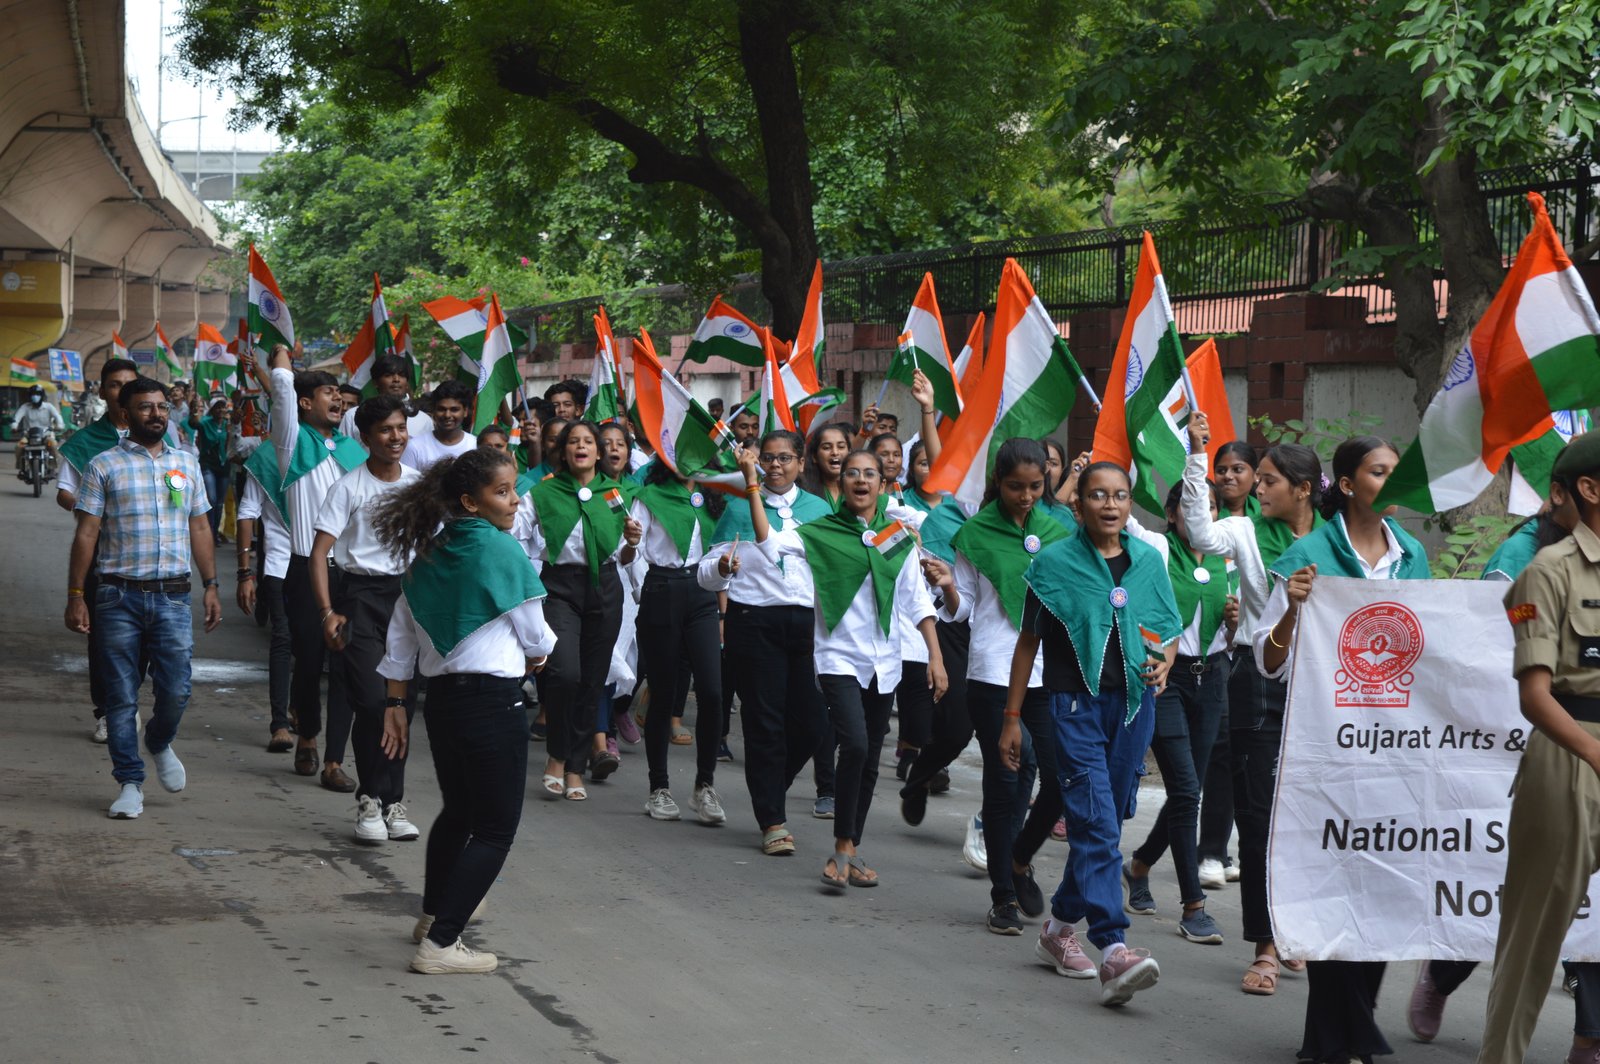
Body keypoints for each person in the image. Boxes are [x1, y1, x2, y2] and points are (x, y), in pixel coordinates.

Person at [1257, 435, 1427, 1063]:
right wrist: (1292, 611)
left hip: (1395, 751)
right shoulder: (1307, 557)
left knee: (1383, 889)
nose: (1393, 481)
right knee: (1333, 887)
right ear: (1349, 485)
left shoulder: (1413, 557)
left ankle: (1336, 1036)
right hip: (1324, 749)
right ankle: (1353, 1034)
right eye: (1381, 472)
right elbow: (1268, 661)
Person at [372, 447, 555, 975]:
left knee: (459, 812)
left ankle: (433, 917)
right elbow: (537, 635)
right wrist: (541, 653)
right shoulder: (500, 549)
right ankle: (442, 943)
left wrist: (396, 703)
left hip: (443, 703)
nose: (515, 500)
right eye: (503, 491)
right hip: (493, 702)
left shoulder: (430, 553)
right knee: (495, 828)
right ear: (471, 502)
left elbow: (400, 639)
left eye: (513, 489)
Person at [1006, 461, 1180, 1007]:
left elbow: (1166, 628)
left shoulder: (1148, 560)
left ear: (1129, 503)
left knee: (1106, 819)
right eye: (1099, 495)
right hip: (1075, 706)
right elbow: (1028, 642)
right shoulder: (1052, 563)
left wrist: (1166, 661)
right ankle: (1113, 948)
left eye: (1120, 495)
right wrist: (1012, 717)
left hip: (1133, 708)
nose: (1111, 504)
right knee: (1097, 822)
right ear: (1078, 504)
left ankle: (1059, 929)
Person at [741, 444, 948, 889]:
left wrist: (935, 656)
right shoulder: (821, 532)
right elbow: (769, 543)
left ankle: (848, 848)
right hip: (837, 657)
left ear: (883, 484)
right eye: (852, 473)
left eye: (869, 474)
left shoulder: (895, 535)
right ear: (842, 482)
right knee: (853, 743)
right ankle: (842, 846)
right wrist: (752, 485)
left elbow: (916, 600)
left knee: (870, 756)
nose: (860, 480)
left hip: (885, 660)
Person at [1179, 411, 1324, 995]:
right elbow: (1199, 532)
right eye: (1255, 479)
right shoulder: (1242, 531)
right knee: (1260, 817)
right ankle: (1265, 946)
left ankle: (1298, 931)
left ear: (1304, 490)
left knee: (1310, 817)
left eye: (1267, 481)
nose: (1255, 488)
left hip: (1322, 688)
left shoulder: (1335, 541)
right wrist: (1197, 454)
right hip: (1257, 681)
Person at [1475, 431, 1600, 1064]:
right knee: (1533, 932)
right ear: (1590, 489)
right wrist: (1595, 755)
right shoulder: (1546, 572)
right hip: (1570, 753)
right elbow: (1535, 696)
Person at [923, 438, 1068, 934]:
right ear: (997, 483)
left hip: (1047, 673)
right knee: (1007, 779)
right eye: (1015, 487)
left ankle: (1019, 860)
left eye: (1035, 486)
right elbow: (963, 607)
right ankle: (1002, 895)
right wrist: (948, 585)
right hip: (992, 671)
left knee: (1059, 780)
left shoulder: (1059, 531)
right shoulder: (975, 533)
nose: (1026, 496)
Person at [64, 377, 222, 818]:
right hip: (117, 597)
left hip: (173, 597)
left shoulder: (186, 463)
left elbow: (200, 526)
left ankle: (158, 740)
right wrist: (76, 594)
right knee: (120, 697)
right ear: (126, 412)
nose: (156, 414)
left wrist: (211, 585)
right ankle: (129, 782)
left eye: (161, 407)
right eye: (146, 407)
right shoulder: (104, 465)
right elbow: (87, 533)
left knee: (177, 689)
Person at [698, 429, 831, 854]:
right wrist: (721, 567)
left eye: (784, 458)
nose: (775, 466)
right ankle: (772, 820)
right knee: (765, 722)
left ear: (801, 463)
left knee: (813, 725)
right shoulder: (740, 508)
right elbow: (705, 572)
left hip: (805, 625)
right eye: (768, 458)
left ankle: (770, 785)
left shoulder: (819, 509)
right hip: (753, 622)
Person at [1121, 478, 1234, 946]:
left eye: (1210, 506)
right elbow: (1123, 517)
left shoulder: (1231, 558)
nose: (1201, 513)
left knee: (1189, 792)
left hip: (1214, 678)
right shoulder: (1159, 549)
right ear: (1171, 515)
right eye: (1190, 506)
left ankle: (1140, 864)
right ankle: (1193, 906)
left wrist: (1237, 620)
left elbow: (1247, 625)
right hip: (1165, 677)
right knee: (1186, 790)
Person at [309, 396, 423, 844]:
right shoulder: (348, 487)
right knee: (375, 703)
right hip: (360, 599)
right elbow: (319, 553)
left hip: (409, 600)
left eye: (401, 428)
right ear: (365, 437)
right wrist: (327, 611)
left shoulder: (417, 485)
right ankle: (371, 800)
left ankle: (393, 803)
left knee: (402, 705)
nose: (396, 437)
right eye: (386, 430)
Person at [256, 345, 368, 787]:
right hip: (305, 569)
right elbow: (282, 389)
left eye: (340, 393)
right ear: (305, 403)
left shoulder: (354, 451)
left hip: (352, 573)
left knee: (346, 666)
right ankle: (307, 735)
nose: (338, 398)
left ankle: (334, 760)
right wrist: (282, 356)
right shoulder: (290, 442)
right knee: (309, 660)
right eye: (327, 392)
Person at [513, 420, 641, 799]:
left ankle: (574, 766)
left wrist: (632, 543)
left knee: (592, 680)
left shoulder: (618, 494)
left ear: (598, 452)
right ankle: (557, 755)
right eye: (573, 441)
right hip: (559, 588)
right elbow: (516, 535)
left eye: (588, 441)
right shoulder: (543, 492)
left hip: (606, 588)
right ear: (564, 451)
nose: (581, 447)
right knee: (565, 673)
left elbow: (626, 556)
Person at [631, 457, 726, 823]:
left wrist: (723, 606)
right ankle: (659, 787)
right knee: (664, 691)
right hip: (662, 588)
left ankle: (705, 786)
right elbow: (631, 552)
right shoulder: (650, 496)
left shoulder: (714, 495)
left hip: (702, 591)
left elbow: (722, 552)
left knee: (712, 691)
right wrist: (644, 587)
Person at [57, 358, 142, 743]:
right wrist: (94, 508)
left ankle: (128, 701)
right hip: (100, 553)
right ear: (103, 392)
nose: (122, 392)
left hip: (148, 555)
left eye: (129, 384)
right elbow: (64, 492)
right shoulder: (86, 442)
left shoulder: (158, 438)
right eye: (114, 385)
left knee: (145, 637)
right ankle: (108, 709)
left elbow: (177, 486)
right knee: (104, 636)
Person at [337, 354, 433, 441]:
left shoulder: (423, 420)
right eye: (388, 375)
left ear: (407, 382)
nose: (396, 379)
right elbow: (343, 451)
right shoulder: (352, 416)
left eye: (401, 375)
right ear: (375, 382)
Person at [403, 380, 477, 471]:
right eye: (441, 409)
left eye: (454, 410)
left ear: (465, 411)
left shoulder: (475, 445)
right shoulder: (414, 447)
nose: (447, 415)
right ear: (433, 410)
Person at [196, 395, 232, 544]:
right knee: (211, 498)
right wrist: (195, 409)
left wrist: (230, 431)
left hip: (224, 466)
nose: (220, 410)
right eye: (217, 407)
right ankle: (208, 532)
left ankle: (215, 533)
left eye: (223, 407)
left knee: (219, 502)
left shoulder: (228, 425)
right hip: (208, 465)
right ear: (212, 409)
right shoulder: (205, 423)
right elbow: (193, 423)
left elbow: (232, 445)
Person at [12, 384, 64, 474]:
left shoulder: (49, 407)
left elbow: (57, 416)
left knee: (53, 445)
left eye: (37, 394)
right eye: (32, 394)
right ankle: (21, 468)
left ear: (42, 396)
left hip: (46, 435)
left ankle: (52, 467)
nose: (35, 396)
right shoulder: (25, 407)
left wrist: (59, 426)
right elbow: (16, 418)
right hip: (28, 436)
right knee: (19, 447)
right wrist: (14, 426)